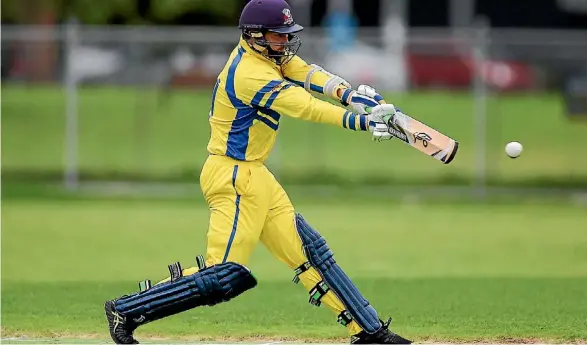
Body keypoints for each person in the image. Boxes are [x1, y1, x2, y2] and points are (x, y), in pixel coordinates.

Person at [104, 0, 411, 344]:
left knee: (310, 252)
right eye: (277, 36)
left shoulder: (269, 57)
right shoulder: (250, 72)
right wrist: (362, 120)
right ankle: (127, 309)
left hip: (256, 175)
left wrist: (349, 95)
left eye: (286, 35)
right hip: (232, 177)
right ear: (254, 36)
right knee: (224, 276)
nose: (285, 42)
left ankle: (370, 333)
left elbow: (308, 72)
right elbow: (303, 106)